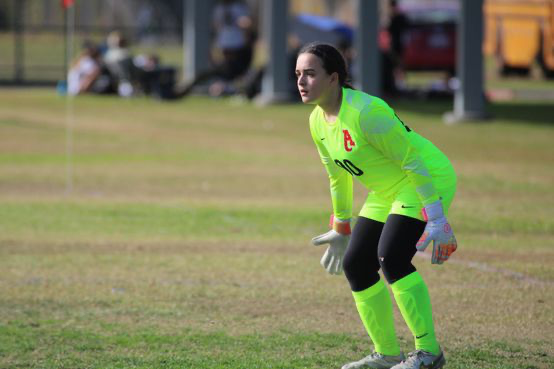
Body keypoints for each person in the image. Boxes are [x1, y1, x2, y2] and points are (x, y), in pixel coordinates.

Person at [295, 42, 457, 369]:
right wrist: (341, 226)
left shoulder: (367, 113)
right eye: (298, 74)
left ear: (334, 78)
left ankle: (429, 353)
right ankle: (386, 355)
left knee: (392, 257)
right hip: (387, 189)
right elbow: (337, 176)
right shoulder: (317, 120)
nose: (301, 82)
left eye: (310, 74)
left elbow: (413, 162)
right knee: (356, 263)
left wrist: (436, 217)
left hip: (425, 179)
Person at [175, 0, 255, 98]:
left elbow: (246, 24)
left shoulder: (239, 8)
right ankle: (185, 89)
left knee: (221, 74)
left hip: (237, 49)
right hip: (226, 46)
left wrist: (245, 25)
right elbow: (218, 27)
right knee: (214, 73)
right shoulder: (219, 9)